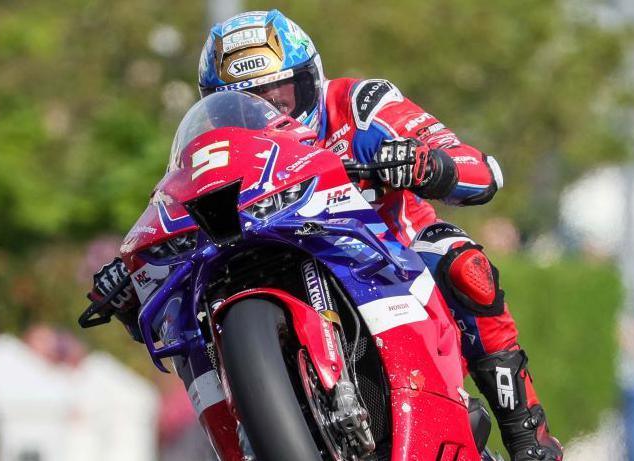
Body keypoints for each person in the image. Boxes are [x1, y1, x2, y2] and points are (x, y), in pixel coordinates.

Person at [89, 10, 562, 461]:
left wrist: (426, 162)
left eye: (281, 95)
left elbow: (480, 171)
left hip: (389, 252)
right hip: (256, 254)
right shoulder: (204, 155)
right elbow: (163, 213)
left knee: (459, 261)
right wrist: (130, 278)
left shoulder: (360, 105)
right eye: (246, 103)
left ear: (310, 80)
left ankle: (529, 437)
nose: (268, 110)